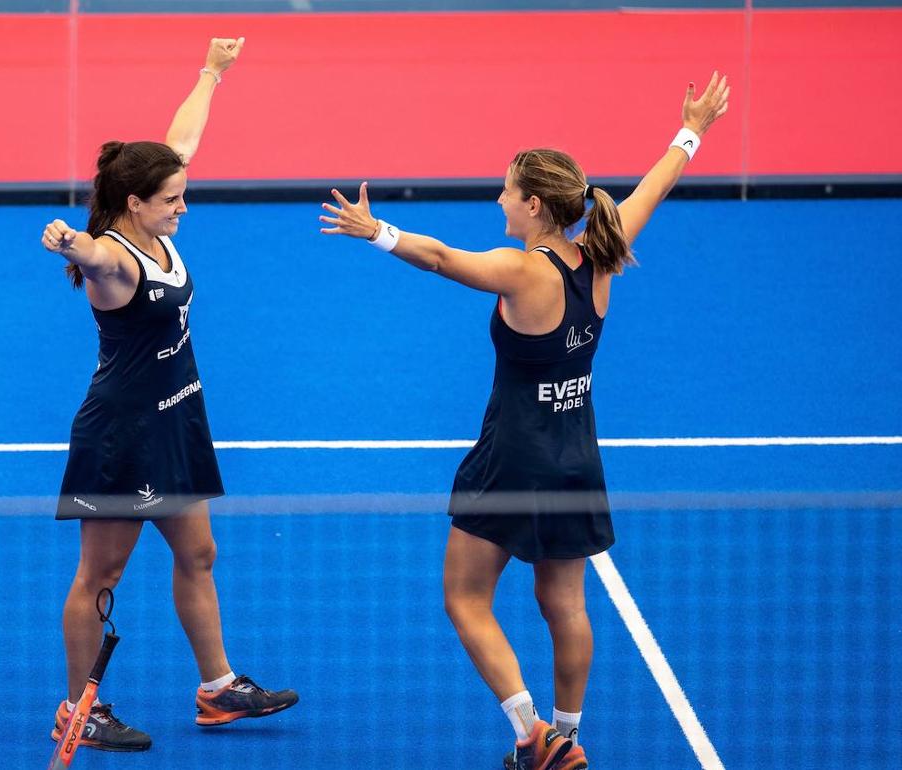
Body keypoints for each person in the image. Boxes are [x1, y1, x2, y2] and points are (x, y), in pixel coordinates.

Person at [319, 74, 730, 769]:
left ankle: (530, 734)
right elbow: (654, 188)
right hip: (577, 460)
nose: (499, 199)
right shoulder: (602, 249)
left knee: (465, 597)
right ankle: (567, 738)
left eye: (507, 190)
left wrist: (375, 231)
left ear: (535, 205)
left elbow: (445, 259)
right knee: (564, 602)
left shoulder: (523, 270)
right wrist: (692, 130)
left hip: (512, 462)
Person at [40, 37, 298, 752]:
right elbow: (93, 255)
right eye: (172, 200)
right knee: (102, 572)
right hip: (122, 435)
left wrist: (212, 71)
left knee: (200, 555)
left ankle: (217, 690)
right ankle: (78, 710)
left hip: (177, 416)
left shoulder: (152, 220)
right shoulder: (115, 260)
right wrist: (70, 243)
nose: (184, 207)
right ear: (134, 203)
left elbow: (182, 138)